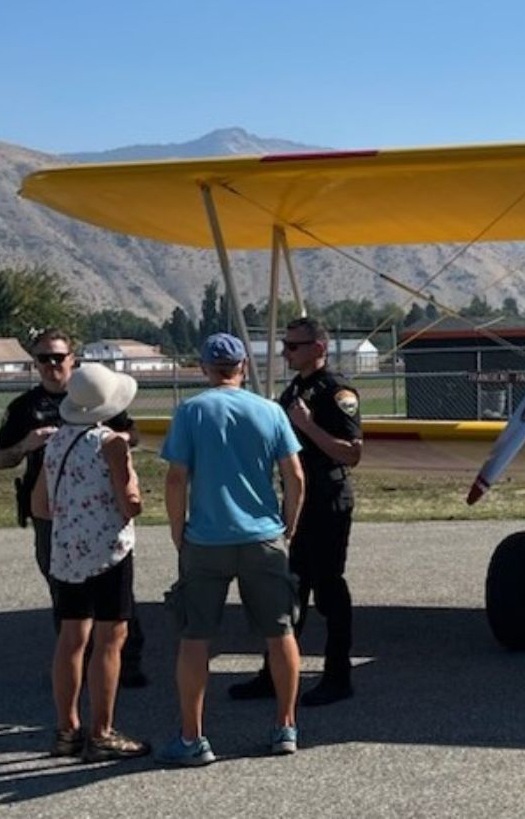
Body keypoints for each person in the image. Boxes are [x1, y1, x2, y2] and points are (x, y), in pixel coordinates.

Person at [156, 333, 305, 766]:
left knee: (195, 636)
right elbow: (294, 475)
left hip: (206, 538)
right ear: (243, 366)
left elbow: (175, 478)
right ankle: (285, 726)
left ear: (205, 368)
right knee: (280, 632)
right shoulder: (270, 410)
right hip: (263, 537)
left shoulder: (191, 411)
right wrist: (289, 522)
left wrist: (176, 528)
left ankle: (192, 737)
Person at [0, 329, 148, 687]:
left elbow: (133, 435)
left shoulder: (99, 397)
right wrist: (27, 445)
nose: (50, 365)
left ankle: (127, 660)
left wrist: (109, 444)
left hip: (103, 509)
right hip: (52, 512)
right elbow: (1, 459)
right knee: (64, 587)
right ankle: (80, 660)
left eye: (57, 357)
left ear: (72, 359)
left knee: (116, 586)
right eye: (42, 358)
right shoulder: (25, 408)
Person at [229, 316, 363, 707]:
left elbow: (352, 453)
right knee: (291, 589)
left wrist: (307, 424)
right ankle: (275, 674)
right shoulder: (295, 389)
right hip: (299, 498)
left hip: (328, 498)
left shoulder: (337, 391)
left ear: (318, 348)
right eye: (285, 346)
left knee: (329, 588)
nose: (286, 353)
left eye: (294, 346)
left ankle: (339, 675)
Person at [32, 362, 150, 762]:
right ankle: (101, 731)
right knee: (109, 641)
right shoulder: (111, 442)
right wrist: (134, 491)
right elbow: (129, 503)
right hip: (107, 552)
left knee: (70, 639)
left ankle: (66, 729)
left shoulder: (55, 442)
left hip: (67, 552)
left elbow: (42, 504)